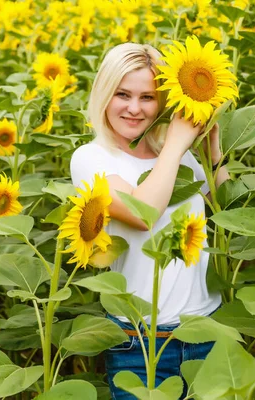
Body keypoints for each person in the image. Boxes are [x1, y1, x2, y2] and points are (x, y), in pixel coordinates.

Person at [69, 43, 230, 400]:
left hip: (205, 329)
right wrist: (175, 146)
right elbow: (143, 214)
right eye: (122, 94)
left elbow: (227, 209)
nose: (134, 108)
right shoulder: (91, 158)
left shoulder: (178, 155)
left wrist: (211, 151)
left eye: (147, 97)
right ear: (103, 94)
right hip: (140, 345)